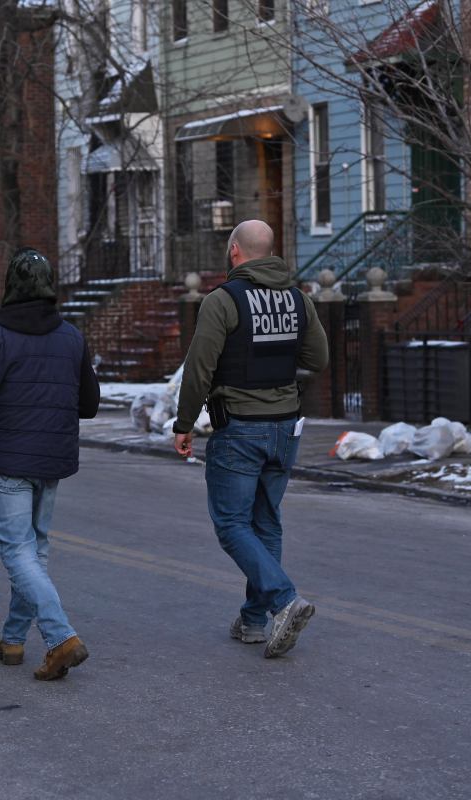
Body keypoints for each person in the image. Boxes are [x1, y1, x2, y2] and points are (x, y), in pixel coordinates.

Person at [0, 248, 100, 682]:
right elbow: (90, 403)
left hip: (7, 459)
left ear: (10, 285)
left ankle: (60, 636)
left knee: (18, 553)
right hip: (51, 460)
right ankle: (12, 640)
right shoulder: (71, 336)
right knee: (35, 551)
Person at [172, 220, 329, 659]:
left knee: (231, 524)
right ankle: (254, 621)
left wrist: (184, 424)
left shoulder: (223, 301)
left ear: (235, 251)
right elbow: (318, 358)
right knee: (266, 520)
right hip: (285, 427)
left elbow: (200, 367)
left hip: (239, 426)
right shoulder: (298, 299)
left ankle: (283, 600)